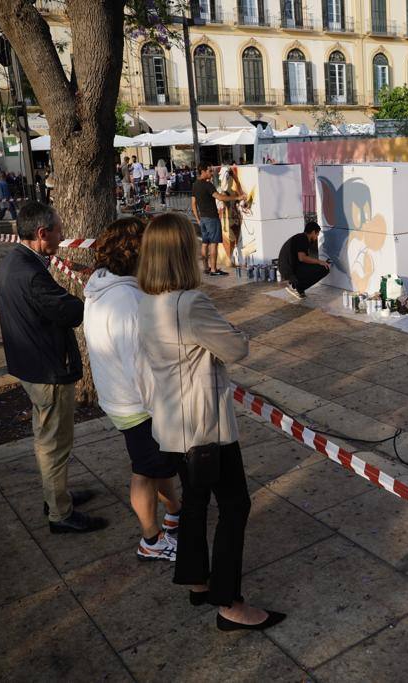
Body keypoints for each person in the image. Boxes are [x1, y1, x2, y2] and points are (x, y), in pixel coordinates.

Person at [137, 212, 285, 631]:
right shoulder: (190, 303)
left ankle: (197, 581)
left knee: (196, 504)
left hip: (172, 424)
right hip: (204, 428)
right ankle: (229, 603)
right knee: (235, 506)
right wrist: (232, 332)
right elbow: (237, 348)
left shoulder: (148, 301)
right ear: (184, 254)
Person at [0, 201, 107, 534]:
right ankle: (60, 513)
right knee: (55, 444)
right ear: (42, 233)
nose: (62, 236)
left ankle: (57, 495)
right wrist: (96, 295)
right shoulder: (30, 274)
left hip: (33, 364)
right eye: (58, 230)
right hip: (47, 370)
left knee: (47, 439)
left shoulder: (15, 261)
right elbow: (71, 311)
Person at [84, 217, 181, 561]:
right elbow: (138, 362)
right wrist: (163, 407)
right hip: (138, 403)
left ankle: (174, 515)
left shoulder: (102, 284)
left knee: (157, 465)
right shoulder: (125, 299)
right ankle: (151, 541)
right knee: (145, 471)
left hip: (120, 396)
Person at [191, 163, 243, 277]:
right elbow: (220, 197)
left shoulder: (195, 185)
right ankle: (214, 270)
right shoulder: (208, 185)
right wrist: (237, 197)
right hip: (212, 218)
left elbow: (193, 204)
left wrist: (198, 219)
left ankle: (206, 268)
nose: (211, 173)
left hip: (203, 219)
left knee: (205, 243)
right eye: (209, 171)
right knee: (213, 244)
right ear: (203, 172)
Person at [278, 222, 329, 300]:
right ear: (313, 232)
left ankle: (297, 285)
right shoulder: (303, 238)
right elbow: (302, 258)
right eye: (316, 235)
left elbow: (302, 258)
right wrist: (319, 262)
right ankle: (295, 286)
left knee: (316, 266)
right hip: (289, 270)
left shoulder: (300, 237)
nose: (316, 238)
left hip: (287, 268)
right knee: (324, 269)